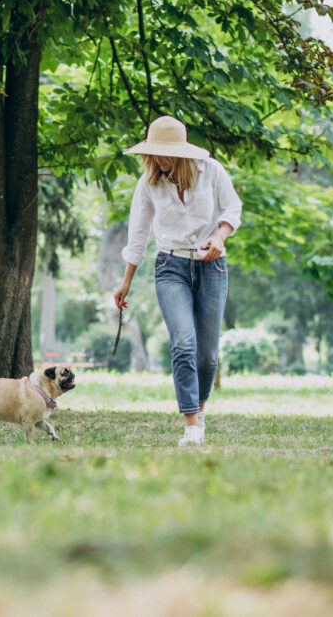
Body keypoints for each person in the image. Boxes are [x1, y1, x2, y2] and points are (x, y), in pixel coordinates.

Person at [113, 115, 242, 446]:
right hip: (171, 266)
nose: (159, 158)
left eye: (165, 152)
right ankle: (191, 424)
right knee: (183, 342)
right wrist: (126, 280)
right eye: (154, 152)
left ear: (183, 152)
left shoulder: (210, 171)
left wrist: (220, 238)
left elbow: (232, 209)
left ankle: (200, 410)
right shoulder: (149, 184)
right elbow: (138, 234)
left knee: (207, 354)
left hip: (212, 266)